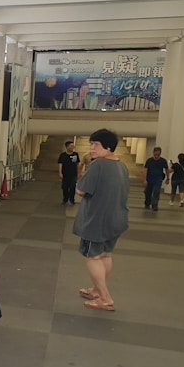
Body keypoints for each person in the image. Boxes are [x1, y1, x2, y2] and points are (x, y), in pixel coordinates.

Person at [73, 128, 129, 311]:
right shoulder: (121, 165)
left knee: (92, 257)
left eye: (96, 145)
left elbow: (81, 190)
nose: (91, 148)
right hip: (116, 219)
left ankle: (105, 298)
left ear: (108, 147)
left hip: (97, 220)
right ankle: (97, 290)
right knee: (105, 254)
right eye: (91, 144)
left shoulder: (98, 165)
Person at [143, 146, 169, 211]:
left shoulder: (163, 161)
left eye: (158, 155)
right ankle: (147, 203)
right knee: (148, 192)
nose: (156, 156)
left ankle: (155, 204)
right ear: (153, 153)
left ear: (160, 154)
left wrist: (168, 178)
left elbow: (166, 169)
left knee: (156, 191)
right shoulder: (149, 161)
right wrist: (145, 179)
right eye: (155, 154)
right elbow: (145, 170)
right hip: (149, 178)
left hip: (158, 178)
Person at [57, 140, 80, 205]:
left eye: (73, 146)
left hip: (73, 174)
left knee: (73, 186)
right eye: (71, 146)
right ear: (67, 147)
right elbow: (60, 164)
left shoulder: (76, 154)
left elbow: (77, 164)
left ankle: (72, 199)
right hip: (65, 174)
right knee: (65, 187)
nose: (73, 147)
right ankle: (65, 199)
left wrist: (79, 172)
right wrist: (60, 173)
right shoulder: (63, 155)